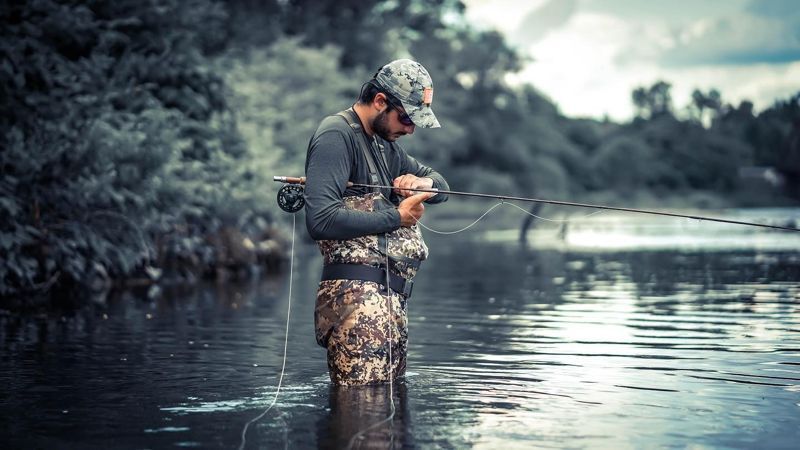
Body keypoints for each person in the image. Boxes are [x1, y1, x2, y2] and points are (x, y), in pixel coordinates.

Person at [304, 59, 449, 385]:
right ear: (380, 101)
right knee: (362, 409)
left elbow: (443, 187)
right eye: (407, 118)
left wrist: (424, 184)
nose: (410, 129)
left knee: (391, 407)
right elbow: (321, 220)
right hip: (356, 304)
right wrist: (397, 217)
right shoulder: (336, 135)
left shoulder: (387, 146)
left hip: (390, 302)